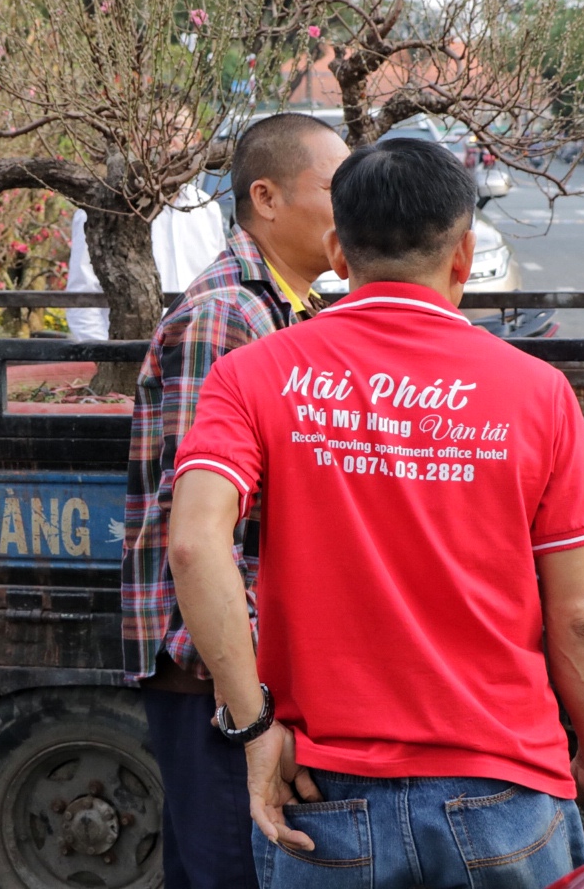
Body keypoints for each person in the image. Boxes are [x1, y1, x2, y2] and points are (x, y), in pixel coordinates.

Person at [168, 136, 584, 889]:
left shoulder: (253, 375)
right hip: (505, 792)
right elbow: (578, 614)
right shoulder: (538, 394)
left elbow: (192, 545)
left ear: (340, 252)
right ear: (464, 254)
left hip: (324, 798)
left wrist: (253, 729)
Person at [122, 112, 350, 889]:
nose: (349, 207)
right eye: (333, 187)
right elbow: (207, 532)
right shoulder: (227, 316)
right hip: (216, 672)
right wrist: (248, 700)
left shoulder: (289, 309)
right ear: (267, 197)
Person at [65, 180, 227, 340]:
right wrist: (107, 356)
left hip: (197, 349)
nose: (173, 152)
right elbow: (82, 298)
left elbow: (219, 286)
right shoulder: (106, 207)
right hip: (129, 351)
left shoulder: (207, 208)